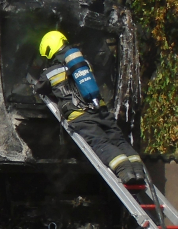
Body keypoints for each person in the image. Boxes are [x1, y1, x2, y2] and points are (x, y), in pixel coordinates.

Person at [32, 30, 144, 183]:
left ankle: (124, 170)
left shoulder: (52, 72)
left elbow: (40, 88)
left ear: (48, 49)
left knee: (100, 143)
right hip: (101, 111)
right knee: (119, 140)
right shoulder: (83, 62)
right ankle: (137, 170)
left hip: (81, 117)